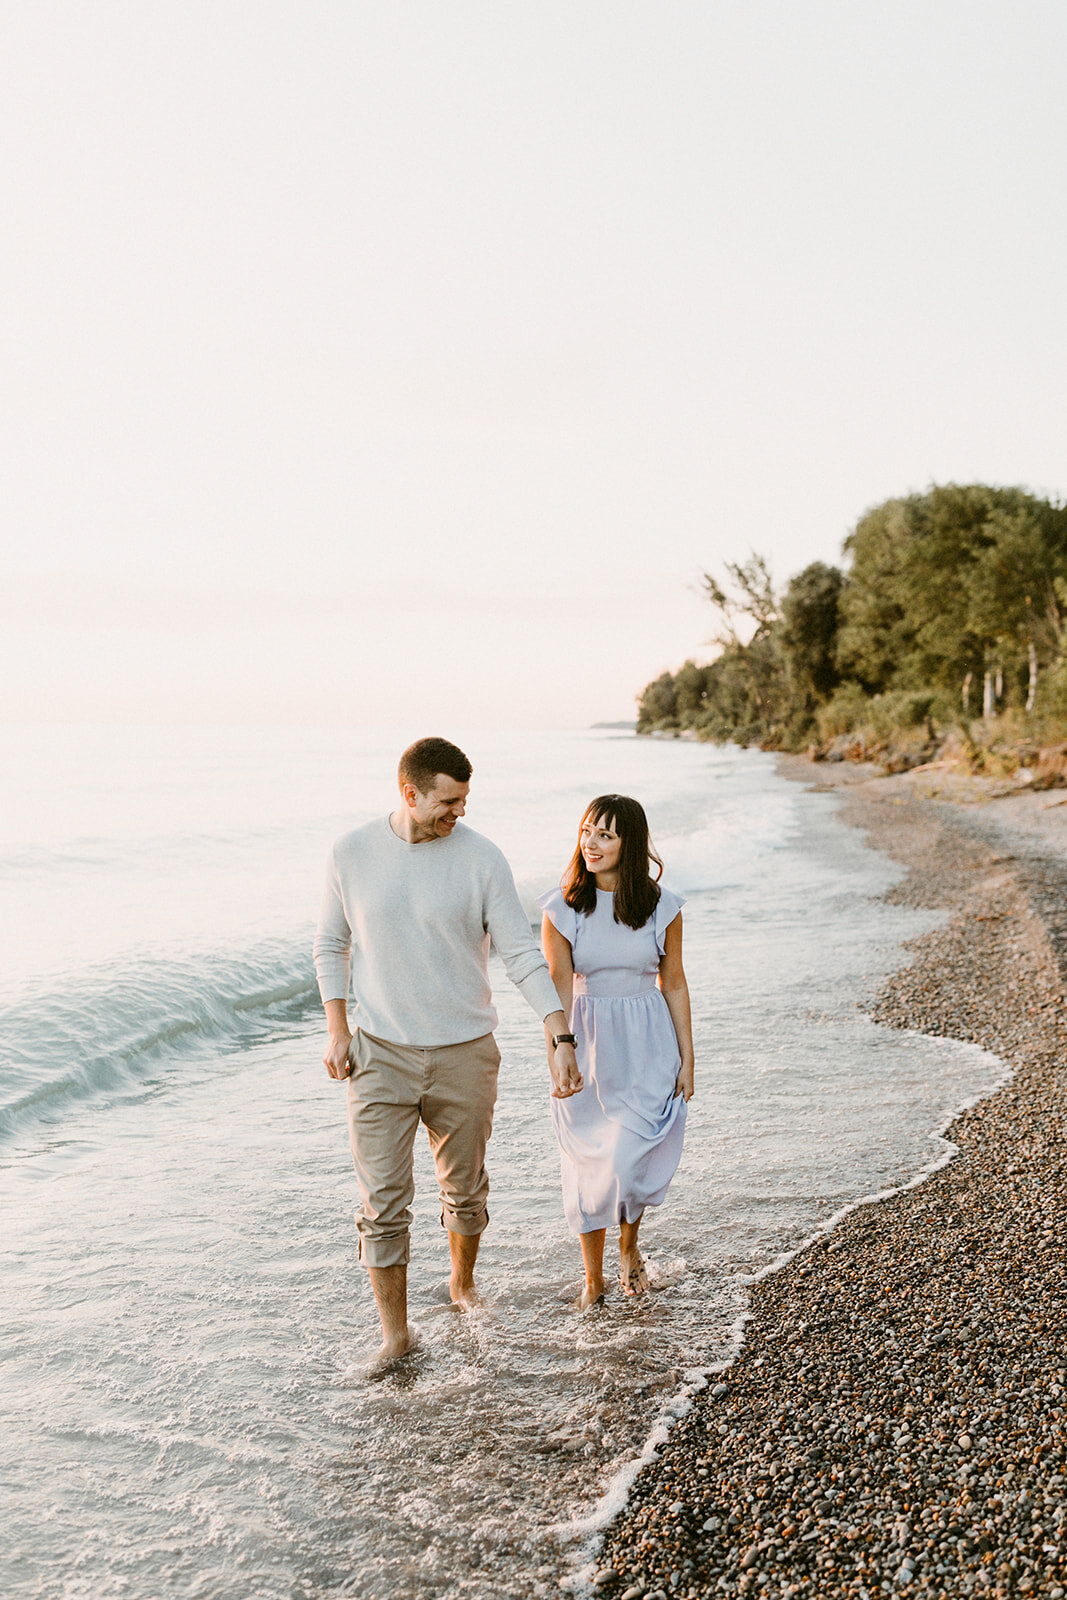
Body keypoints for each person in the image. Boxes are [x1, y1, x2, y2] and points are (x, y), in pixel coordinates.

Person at [314, 735, 583, 1369]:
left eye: (463, 801)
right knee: (381, 1203)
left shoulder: (481, 858)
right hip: (379, 1055)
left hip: (465, 1053)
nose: (458, 813)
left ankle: (462, 1282)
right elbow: (331, 944)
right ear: (409, 793)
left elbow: (519, 951)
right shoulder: (350, 853)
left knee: (464, 1191)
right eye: (447, 802)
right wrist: (336, 1028)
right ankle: (396, 1335)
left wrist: (559, 1031)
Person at [539, 794, 694, 1309]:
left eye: (605, 835)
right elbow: (558, 989)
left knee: (628, 1159)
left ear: (629, 843)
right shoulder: (563, 908)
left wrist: (688, 1057)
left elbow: (673, 983)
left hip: (648, 1042)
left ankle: (629, 1245)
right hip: (588, 1044)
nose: (592, 844)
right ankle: (592, 1279)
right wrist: (558, 1052)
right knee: (590, 1165)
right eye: (587, 832)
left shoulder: (660, 906)